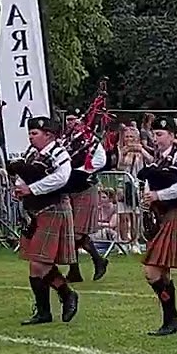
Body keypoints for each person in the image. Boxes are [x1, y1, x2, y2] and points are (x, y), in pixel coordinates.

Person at [10, 117, 80, 325]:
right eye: (30, 133)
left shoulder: (59, 153)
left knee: (39, 262)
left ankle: (67, 294)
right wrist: (19, 188)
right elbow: (23, 175)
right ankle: (44, 312)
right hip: (35, 211)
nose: (30, 137)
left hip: (53, 208)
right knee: (35, 265)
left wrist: (32, 189)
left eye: (35, 133)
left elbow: (61, 178)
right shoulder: (32, 154)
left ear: (48, 135)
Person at [137, 117, 177, 336]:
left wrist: (158, 195)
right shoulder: (158, 159)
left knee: (151, 271)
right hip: (161, 216)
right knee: (163, 274)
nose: (156, 138)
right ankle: (171, 320)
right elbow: (150, 183)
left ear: (172, 136)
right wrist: (147, 197)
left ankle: (172, 318)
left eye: (160, 134)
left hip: (175, 214)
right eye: (154, 134)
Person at [63, 113, 110, 283]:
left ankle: (95, 261)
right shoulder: (65, 140)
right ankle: (76, 270)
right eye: (68, 119)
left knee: (77, 232)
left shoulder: (91, 140)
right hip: (69, 187)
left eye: (75, 119)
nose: (71, 123)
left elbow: (100, 160)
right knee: (70, 232)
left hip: (85, 186)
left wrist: (81, 172)